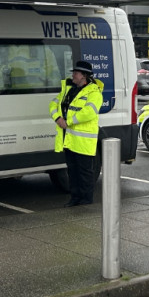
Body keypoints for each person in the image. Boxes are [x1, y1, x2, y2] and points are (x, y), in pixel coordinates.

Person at [49, 60, 103, 206]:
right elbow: (53, 104)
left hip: (83, 142)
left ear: (84, 75)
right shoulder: (69, 89)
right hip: (69, 140)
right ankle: (74, 199)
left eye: (76, 73)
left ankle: (85, 202)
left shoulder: (94, 92)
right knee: (72, 172)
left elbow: (89, 113)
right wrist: (58, 118)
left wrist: (68, 121)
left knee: (85, 174)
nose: (73, 75)